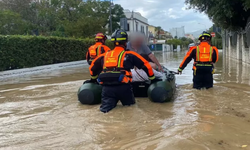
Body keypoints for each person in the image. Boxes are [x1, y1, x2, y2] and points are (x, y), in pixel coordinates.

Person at [87, 29, 157, 113]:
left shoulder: (104, 56)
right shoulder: (130, 55)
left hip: (107, 88)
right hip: (124, 87)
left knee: (105, 111)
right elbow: (147, 66)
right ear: (125, 42)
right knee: (130, 109)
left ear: (113, 42)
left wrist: (93, 79)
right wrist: (152, 79)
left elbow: (92, 68)